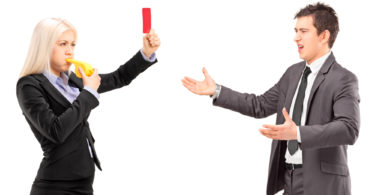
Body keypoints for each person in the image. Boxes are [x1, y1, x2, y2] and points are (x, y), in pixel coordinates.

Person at [182, 3, 359, 195]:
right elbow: (259, 105)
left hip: (323, 184)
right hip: (288, 180)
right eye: (296, 31)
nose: (296, 37)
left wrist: (298, 133)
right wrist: (216, 90)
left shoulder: (343, 78)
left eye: (304, 31)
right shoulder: (293, 74)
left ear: (324, 36)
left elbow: (348, 129)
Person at [16, 18, 160, 195]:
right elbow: (56, 131)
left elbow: (118, 78)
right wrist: (89, 92)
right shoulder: (29, 85)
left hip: (84, 184)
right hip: (56, 187)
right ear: (44, 46)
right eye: (62, 44)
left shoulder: (73, 80)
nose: (70, 51)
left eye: (73, 44)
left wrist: (146, 53)